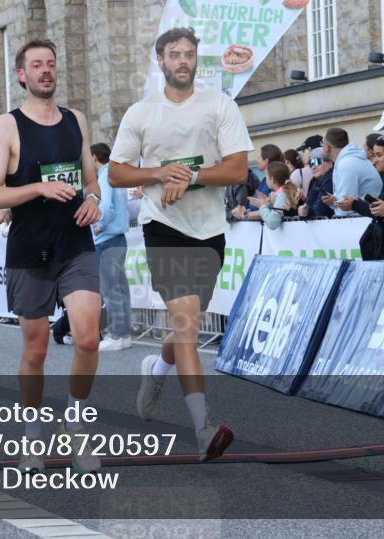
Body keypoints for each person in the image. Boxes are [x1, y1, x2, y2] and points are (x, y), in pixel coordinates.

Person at [109, 26, 254, 461]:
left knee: (185, 326)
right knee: (187, 324)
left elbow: (237, 171)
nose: (183, 61)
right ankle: (203, 427)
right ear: (160, 60)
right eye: (174, 54)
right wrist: (159, 174)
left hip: (209, 229)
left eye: (189, 54)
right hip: (164, 226)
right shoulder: (141, 113)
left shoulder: (219, 105)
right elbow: (117, 173)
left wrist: (189, 176)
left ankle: (156, 370)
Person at [0, 38, 103, 475]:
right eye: (36, 65)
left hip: (75, 245)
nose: (46, 70)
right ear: (22, 74)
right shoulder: (6, 126)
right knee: (35, 351)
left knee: (88, 338)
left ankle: (77, 426)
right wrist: (37, 188)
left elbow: (92, 181)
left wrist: (93, 200)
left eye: (51, 63)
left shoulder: (76, 121)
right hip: (30, 249)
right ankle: (32, 436)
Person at [90, 142, 133, 352]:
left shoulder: (104, 176)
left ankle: (117, 334)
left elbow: (104, 204)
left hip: (106, 238)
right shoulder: (115, 175)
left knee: (111, 289)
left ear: (94, 157)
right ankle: (123, 334)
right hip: (118, 238)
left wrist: (99, 224)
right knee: (121, 289)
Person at [351, 136, 384, 260]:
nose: (374, 160)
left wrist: (354, 205)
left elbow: (381, 211)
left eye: (379, 155)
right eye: (373, 155)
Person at [322, 127, 382, 217]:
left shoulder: (346, 164)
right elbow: (346, 204)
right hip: (368, 219)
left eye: (322, 144)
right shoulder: (348, 161)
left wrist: (337, 205)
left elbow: (344, 211)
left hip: (366, 222)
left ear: (327, 147)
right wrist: (333, 203)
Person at [258, 162, 298, 230]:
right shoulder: (283, 192)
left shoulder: (282, 194)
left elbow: (272, 223)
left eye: (266, 176)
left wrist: (262, 206)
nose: (266, 179)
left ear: (272, 179)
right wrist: (269, 204)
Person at [298, 148, 335, 219]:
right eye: (311, 163)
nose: (313, 167)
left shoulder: (331, 178)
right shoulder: (314, 181)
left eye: (317, 162)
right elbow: (308, 206)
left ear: (330, 163)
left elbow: (320, 210)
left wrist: (306, 212)